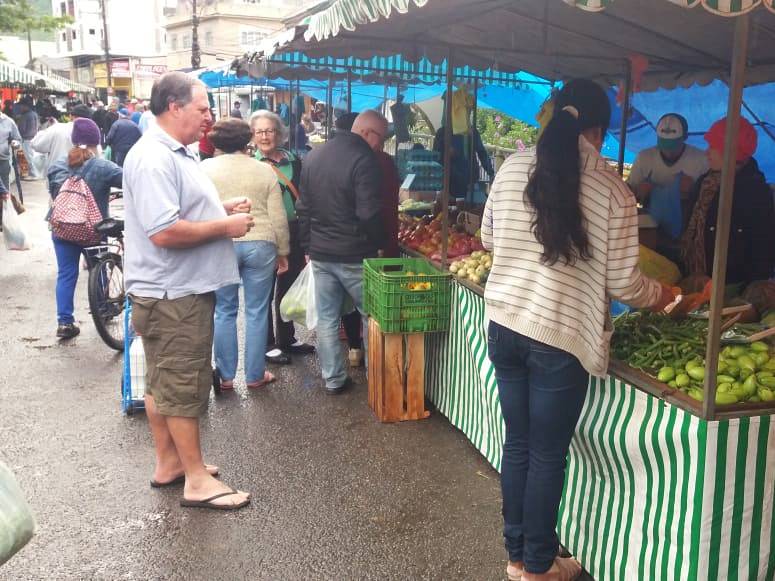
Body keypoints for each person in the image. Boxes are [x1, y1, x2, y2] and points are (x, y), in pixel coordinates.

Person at [481, 79, 674, 581]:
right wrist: (667, 298)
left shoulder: (510, 167)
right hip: (561, 334)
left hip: (504, 320)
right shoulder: (612, 189)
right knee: (546, 451)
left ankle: (518, 556)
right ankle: (540, 566)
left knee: (519, 443)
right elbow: (624, 284)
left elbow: (486, 237)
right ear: (598, 130)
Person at [124, 71, 254, 510]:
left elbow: (177, 209)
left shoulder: (172, 152)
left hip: (169, 291)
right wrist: (226, 226)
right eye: (202, 108)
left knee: (163, 382)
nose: (208, 117)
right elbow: (164, 231)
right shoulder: (154, 157)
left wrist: (220, 208)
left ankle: (170, 463)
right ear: (174, 106)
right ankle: (196, 479)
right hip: (172, 293)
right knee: (182, 383)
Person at [296, 109, 386, 395]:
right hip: (355, 254)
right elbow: (368, 212)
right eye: (381, 139)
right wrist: (379, 244)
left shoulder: (314, 155)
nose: (380, 146)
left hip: (321, 253)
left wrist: (307, 247)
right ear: (367, 133)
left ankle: (333, 378)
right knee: (372, 315)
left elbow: (304, 209)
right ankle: (377, 377)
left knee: (326, 318)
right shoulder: (364, 159)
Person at [201, 118, 290, 389]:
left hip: (221, 242)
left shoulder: (203, 169)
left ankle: (226, 377)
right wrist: (283, 251)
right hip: (261, 242)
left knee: (225, 310)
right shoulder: (264, 170)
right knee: (256, 310)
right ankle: (254, 375)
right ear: (247, 139)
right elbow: (278, 215)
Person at [47, 118, 123, 339]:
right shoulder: (102, 166)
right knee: (98, 266)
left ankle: (64, 322)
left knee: (66, 274)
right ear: (95, 142)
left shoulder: (57, 165)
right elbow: (131, 180)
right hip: (92, 230)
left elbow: (55, 195)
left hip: (62, 229)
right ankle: (103, 309)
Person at [251, 109, 316, 364]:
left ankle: (286, 338)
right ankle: (266, 343)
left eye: (270, 131)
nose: (266, 136)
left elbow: (305, 196)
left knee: (288, 285)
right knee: (263, 288)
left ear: (279, 134)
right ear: (253, 136)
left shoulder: (294, 161)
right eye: (260, 132)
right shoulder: (251, 165)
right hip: (264, 231)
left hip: (295, 229)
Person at [682, 116, 775, 287]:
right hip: (697, 279)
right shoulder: (705, 181)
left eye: (713, 146)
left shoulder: (754, 192)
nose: (706, 152)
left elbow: (762, 248)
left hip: (732, 287)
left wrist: (747, 292)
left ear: (730, 152)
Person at [433, 123, 494, 198]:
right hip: (449, 182)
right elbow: (436, 157)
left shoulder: (473, 132)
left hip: (470, 180)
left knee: (470, 207)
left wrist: (491, 173)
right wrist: (445, 153)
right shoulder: (442, 132)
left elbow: (482, 153)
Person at [31, 104, 92, 176]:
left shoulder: (57, 128)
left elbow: (36, 144)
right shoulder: (92, 133)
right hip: (81, 178)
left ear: (70, 116)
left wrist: (46, 130)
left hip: (56, 174)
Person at [17, 98, 41, 180]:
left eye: (21, 106)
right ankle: (27, 173)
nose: (20, 107)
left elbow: (21, 129)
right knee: (27, 156)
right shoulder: (34, 114)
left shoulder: (25, 115)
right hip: (33, 138)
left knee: (27, 157)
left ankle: (34, 174)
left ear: (25, 106)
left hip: (26, 139)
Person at [0, 106, 22, 192]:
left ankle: (4, 205)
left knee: (4, 191)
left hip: (2, 161)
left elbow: (18, 139)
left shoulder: (8, 121)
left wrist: (15, 143)